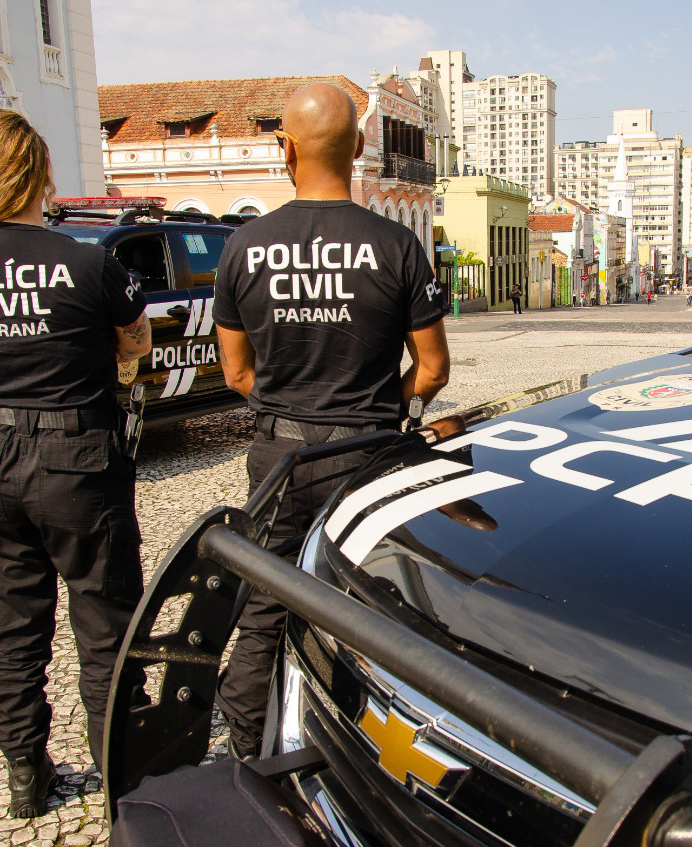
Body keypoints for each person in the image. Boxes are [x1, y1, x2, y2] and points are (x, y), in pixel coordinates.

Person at [213, 83, 450, 762]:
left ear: (286, 147)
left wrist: (291, 406)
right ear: (358, 149)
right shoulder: (398, 245)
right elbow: (432, 370)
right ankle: (366, 745)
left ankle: (247, 743)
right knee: (371, 601)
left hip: (280, 456)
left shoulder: (245, 246)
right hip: (368, 453)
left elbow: (236, 374)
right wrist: (385, 411)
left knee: (266, 600)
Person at [0, 109, 152, 818]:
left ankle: (27, 776)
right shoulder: (89, 261)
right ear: (40, 171)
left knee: (13, 630)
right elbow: (136, 343)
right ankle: (122, 779)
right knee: (107, 625)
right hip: (76, 457)